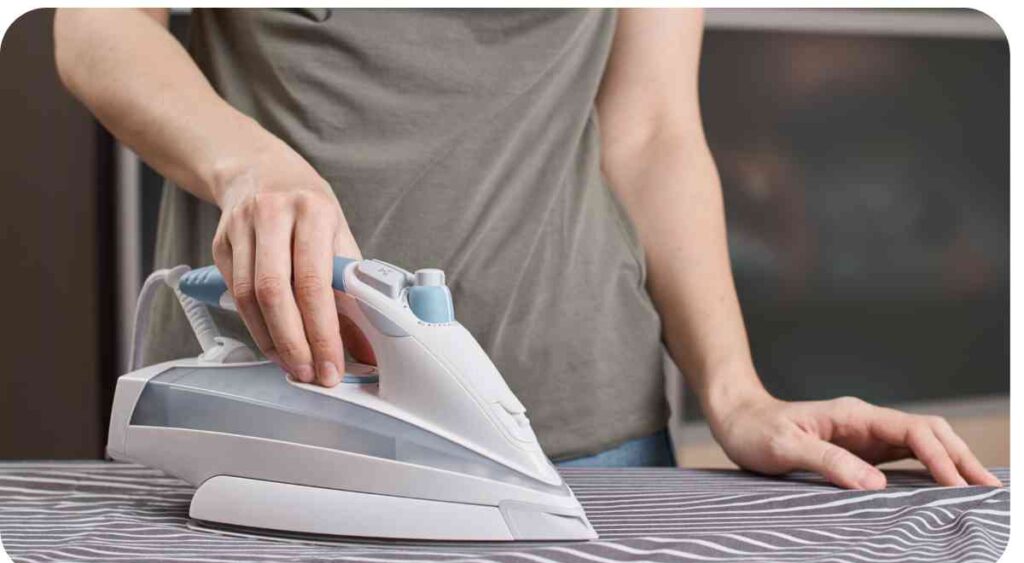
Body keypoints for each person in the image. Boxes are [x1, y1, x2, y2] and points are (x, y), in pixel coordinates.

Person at [55, 7, 1000, 488]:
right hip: (273, 426)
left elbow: (652, 134)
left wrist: (736, 392)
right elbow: (95, 22)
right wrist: (249, 166)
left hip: (585, 439)